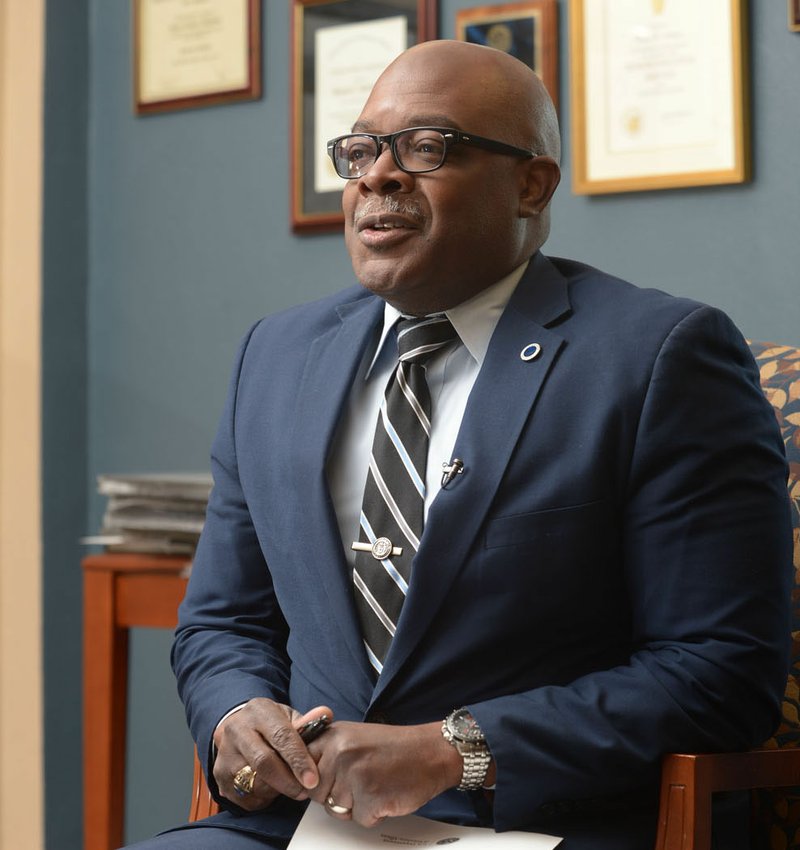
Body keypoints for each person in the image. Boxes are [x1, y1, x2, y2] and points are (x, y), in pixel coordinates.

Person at [123, 39, 792, 850]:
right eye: (361, 151)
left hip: (542, 825)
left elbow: (719, 671)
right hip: (307, 826)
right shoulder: (274, 357)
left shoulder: (659, 357)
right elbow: (223, 622)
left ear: (531, 184)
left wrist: (453, 753)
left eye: (428, 148)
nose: (378, 176)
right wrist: (238, 714)